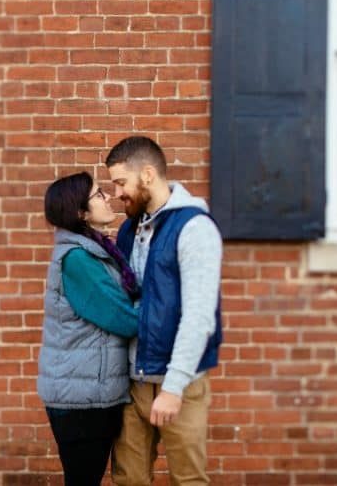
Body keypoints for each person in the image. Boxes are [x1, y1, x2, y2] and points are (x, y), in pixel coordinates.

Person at [105, 136, 223, 486]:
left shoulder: (194, 228)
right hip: (133, 384)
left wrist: (172, 388)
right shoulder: (128, 229)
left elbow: (199, 316)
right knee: (129, 480)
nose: (116, 193)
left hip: (179, 385)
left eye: (120, 183)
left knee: (187, 480)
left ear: (147, 175)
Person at [36, 171, 141, 486]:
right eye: (98, 195)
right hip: (81, 400)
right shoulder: (79, 259)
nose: (108, 196)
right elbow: (123, 319)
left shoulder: (95, 251)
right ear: (81, 212)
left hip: (88, 392)